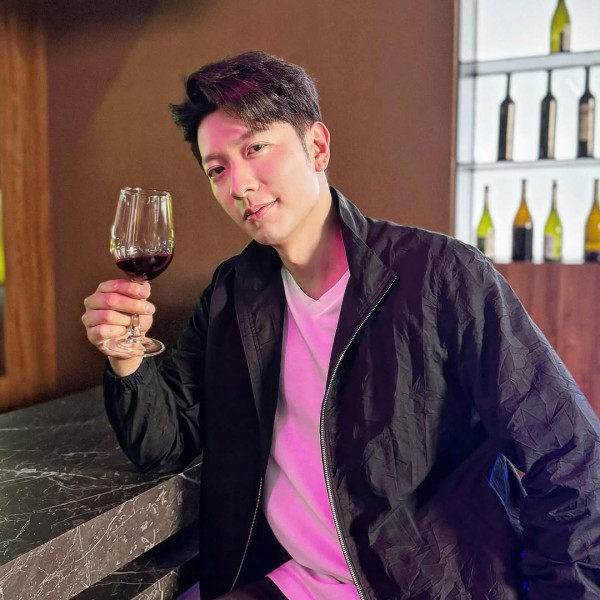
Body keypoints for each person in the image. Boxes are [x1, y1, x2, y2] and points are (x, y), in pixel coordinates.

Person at [82, 51, 600, 600]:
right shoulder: (233, 293)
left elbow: (569, 458)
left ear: (317, 146)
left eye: (255, 148)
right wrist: (125, 358)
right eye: (217, 169)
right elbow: (165, 444)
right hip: (301, 581)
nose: (239, 184)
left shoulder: (442, 274)